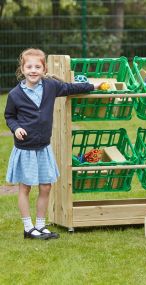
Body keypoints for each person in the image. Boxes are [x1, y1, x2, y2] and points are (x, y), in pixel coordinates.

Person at [4, 48, 106, 240]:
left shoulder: (51, 86)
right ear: (22, 69)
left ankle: (41, 226)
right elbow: (9, 116)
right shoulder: (15, 94)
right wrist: (15, 128)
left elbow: (70, 88)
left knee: (46, 187)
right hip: (25, 149)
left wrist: (94, 85)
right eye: (29, 67)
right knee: (25, 188)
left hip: (43, 147)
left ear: (44, 69)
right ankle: (28, 227)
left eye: (37, 67)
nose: (33, 70)